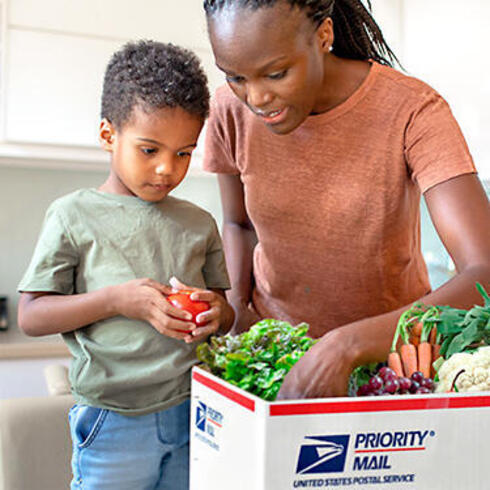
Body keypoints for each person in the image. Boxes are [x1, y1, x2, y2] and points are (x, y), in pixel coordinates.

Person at [201, 0, 490, 399]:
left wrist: (343, 347)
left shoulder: (413, 110)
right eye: (235, 77)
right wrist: (236, 311)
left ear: (324, 36)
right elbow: (239, 224)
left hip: (394, 367)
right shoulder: (228, 111)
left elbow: (484, 273)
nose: (256, 98)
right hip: (274, 363)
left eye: (276, 73)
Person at [17, 40, 234, 489]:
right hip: (112, 417)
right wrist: (118, 300)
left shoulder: (199, 223)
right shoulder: (72, 214)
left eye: (183, 153)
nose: (166, 170)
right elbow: (32, 315)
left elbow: (227, 313)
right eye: (149, 149)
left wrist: (216, 311)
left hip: (192, 408)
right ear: (108, 136)